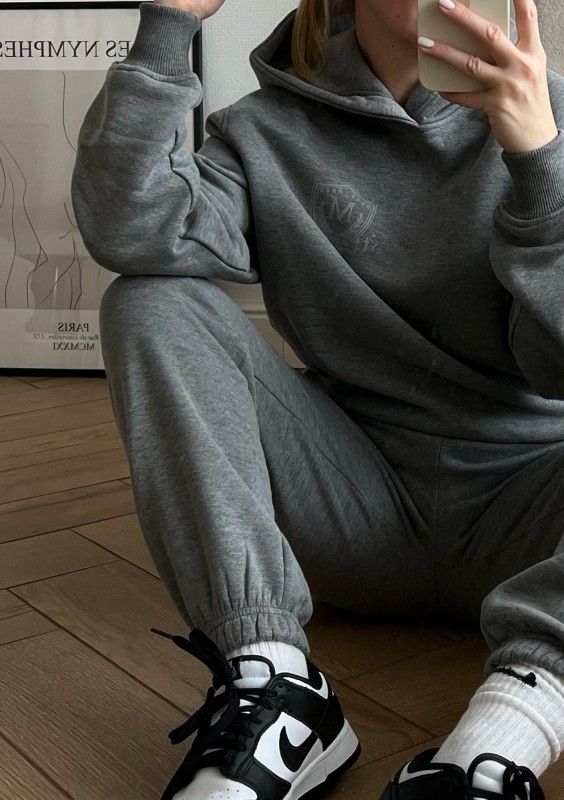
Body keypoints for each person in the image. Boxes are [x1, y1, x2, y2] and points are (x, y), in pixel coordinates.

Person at [71, 0, 564, 797]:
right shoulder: (262, 131)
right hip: (352, 518)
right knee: (150, 298)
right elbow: (131, 232)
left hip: (537, 531)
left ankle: (499, 741)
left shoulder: (553, 114)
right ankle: (278, 686)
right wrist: (167, 25)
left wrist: (540, 163)